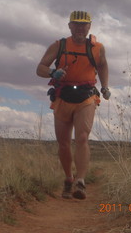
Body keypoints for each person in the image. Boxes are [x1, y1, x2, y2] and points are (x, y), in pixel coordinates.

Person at [36, 11, 110, 200]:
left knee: (82, 138)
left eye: (83, 24)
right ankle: (69, 179)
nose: (80, 27)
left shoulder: (97, 48)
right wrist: (53, 72)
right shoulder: (59, 45)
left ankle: (81, 181)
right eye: (76, 24)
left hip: (86, 97)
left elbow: (102, 66)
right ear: (69, 26)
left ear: (89, 27)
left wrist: (105, 87)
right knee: (63, 143)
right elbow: (40, 68)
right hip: (63, 96)